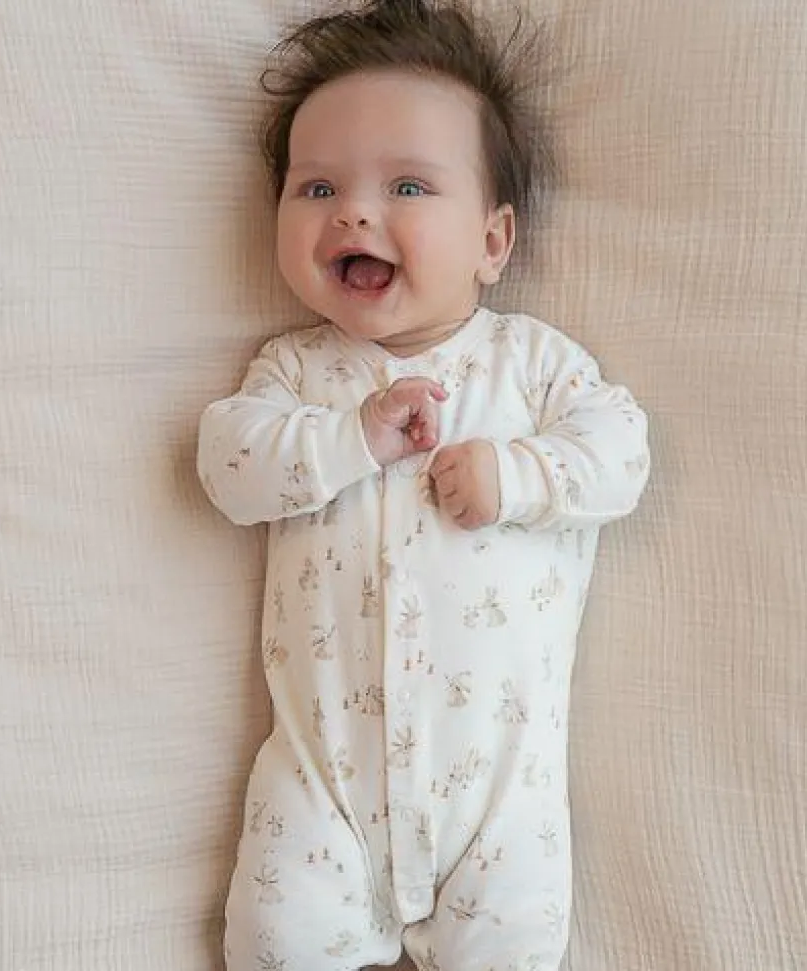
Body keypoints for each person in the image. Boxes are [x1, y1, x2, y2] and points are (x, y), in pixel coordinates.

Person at [197, 1, 650, 968]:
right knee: (272, 941)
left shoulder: (532, 365)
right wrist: (350, 438)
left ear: (493, 241)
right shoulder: (296, 373)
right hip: (323, 787)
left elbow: (621, 454)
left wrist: (516, 473)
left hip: (499, 796)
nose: (353, 212)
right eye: (317, 186)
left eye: (406, 184)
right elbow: (229, 466)